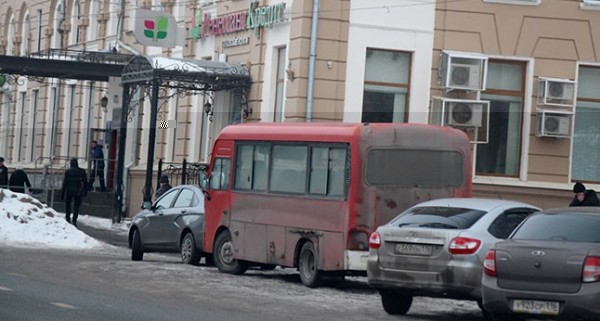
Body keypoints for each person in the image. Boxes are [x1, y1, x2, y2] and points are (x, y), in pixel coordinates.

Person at [62, 158, 88, 227]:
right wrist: (85, 190)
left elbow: (65, 182)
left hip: (69, 190)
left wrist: (62, 192)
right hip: (78, 191)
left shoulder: (68, 172)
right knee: (76, 206)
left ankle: (68, 217)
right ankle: (74, 219)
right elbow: (85, 182)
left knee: (68, 204)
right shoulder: (82, 171)